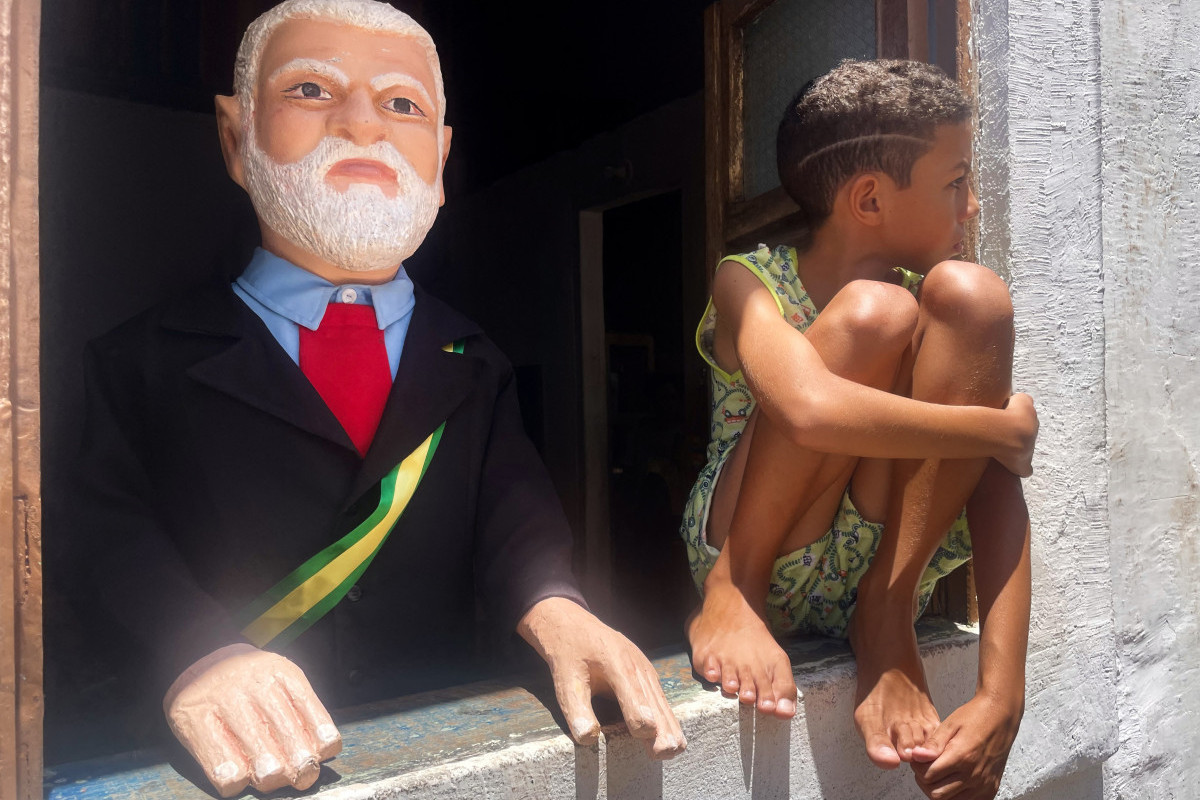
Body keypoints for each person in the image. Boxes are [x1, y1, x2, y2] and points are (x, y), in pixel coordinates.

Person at [72, 1, 684, 796]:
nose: (362, 124)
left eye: (402, 103)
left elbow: (516, 520)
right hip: (219, 768)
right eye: (311, 90)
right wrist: (194, 650)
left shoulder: (472, 359)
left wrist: (556, 605)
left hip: (429, 744)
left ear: (441, 159)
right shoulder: (137, 359)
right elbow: (103, 540)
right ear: (234, 136)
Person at [680, 59, 1036, 799]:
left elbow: (993, 489)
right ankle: (735, 588)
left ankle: (887, 610)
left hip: (874, 564)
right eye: (955, 182)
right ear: (870, 198)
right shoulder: (750, 280)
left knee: (975, 297)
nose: (971, 207)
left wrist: (1003, 692)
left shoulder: (937, 309)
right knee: (876, 314)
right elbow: (808, 409)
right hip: (761, 541)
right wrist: (992, 430)